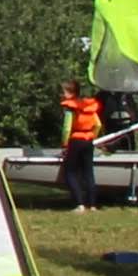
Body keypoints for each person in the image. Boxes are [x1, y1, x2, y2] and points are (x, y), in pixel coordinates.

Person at [57, 84, 108, 212]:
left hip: (75, 140)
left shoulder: (71, 108)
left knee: (70, 172)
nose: (62, 95)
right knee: (88, 172)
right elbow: (98, 124)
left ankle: (79, 204)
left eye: (64, 92)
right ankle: (92, 205)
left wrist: (65, 144)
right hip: (88, 140)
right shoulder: (89, 106)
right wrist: (93, 137)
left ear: (71, 93)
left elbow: (67, 128)